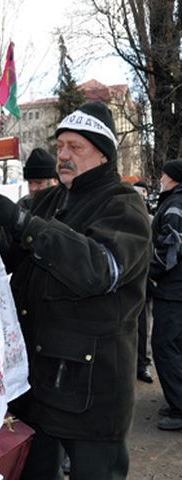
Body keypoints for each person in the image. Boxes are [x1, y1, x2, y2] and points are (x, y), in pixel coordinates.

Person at [0, 101, 151, 479]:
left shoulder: (124, 204)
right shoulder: (51, 199)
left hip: (91, 392)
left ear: (103, 154)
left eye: (76, 147)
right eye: (61, 147)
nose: (64, 156)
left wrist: (23, 222)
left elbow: (99, 269)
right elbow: (11, 255)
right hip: (39, 384)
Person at [149, 159, 182, 431]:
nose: (160, 178)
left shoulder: (174, 205)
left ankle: (180, 408)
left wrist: (149, 270)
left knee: (165, 345)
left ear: (172, 178)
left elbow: (170, 251)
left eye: (163, 174)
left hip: (173, 291)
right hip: (175, 289)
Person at [133, 180, 154, 383]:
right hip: (129, 283)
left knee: (144, 326)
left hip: (145, 282)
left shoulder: (150, 220)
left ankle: (143, 365)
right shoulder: (124, 217)